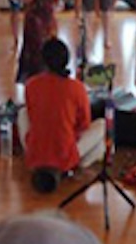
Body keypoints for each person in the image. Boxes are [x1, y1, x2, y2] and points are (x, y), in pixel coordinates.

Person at [18, 38, 104, 193]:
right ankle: (78, 163)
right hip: (64, 156)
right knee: (102, 126)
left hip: (34, 155)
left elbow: (31, 116)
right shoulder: (77, 88)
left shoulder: (31, 84)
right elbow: (84, 124)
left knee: (22, 112)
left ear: (44, 60)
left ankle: (37, 154)